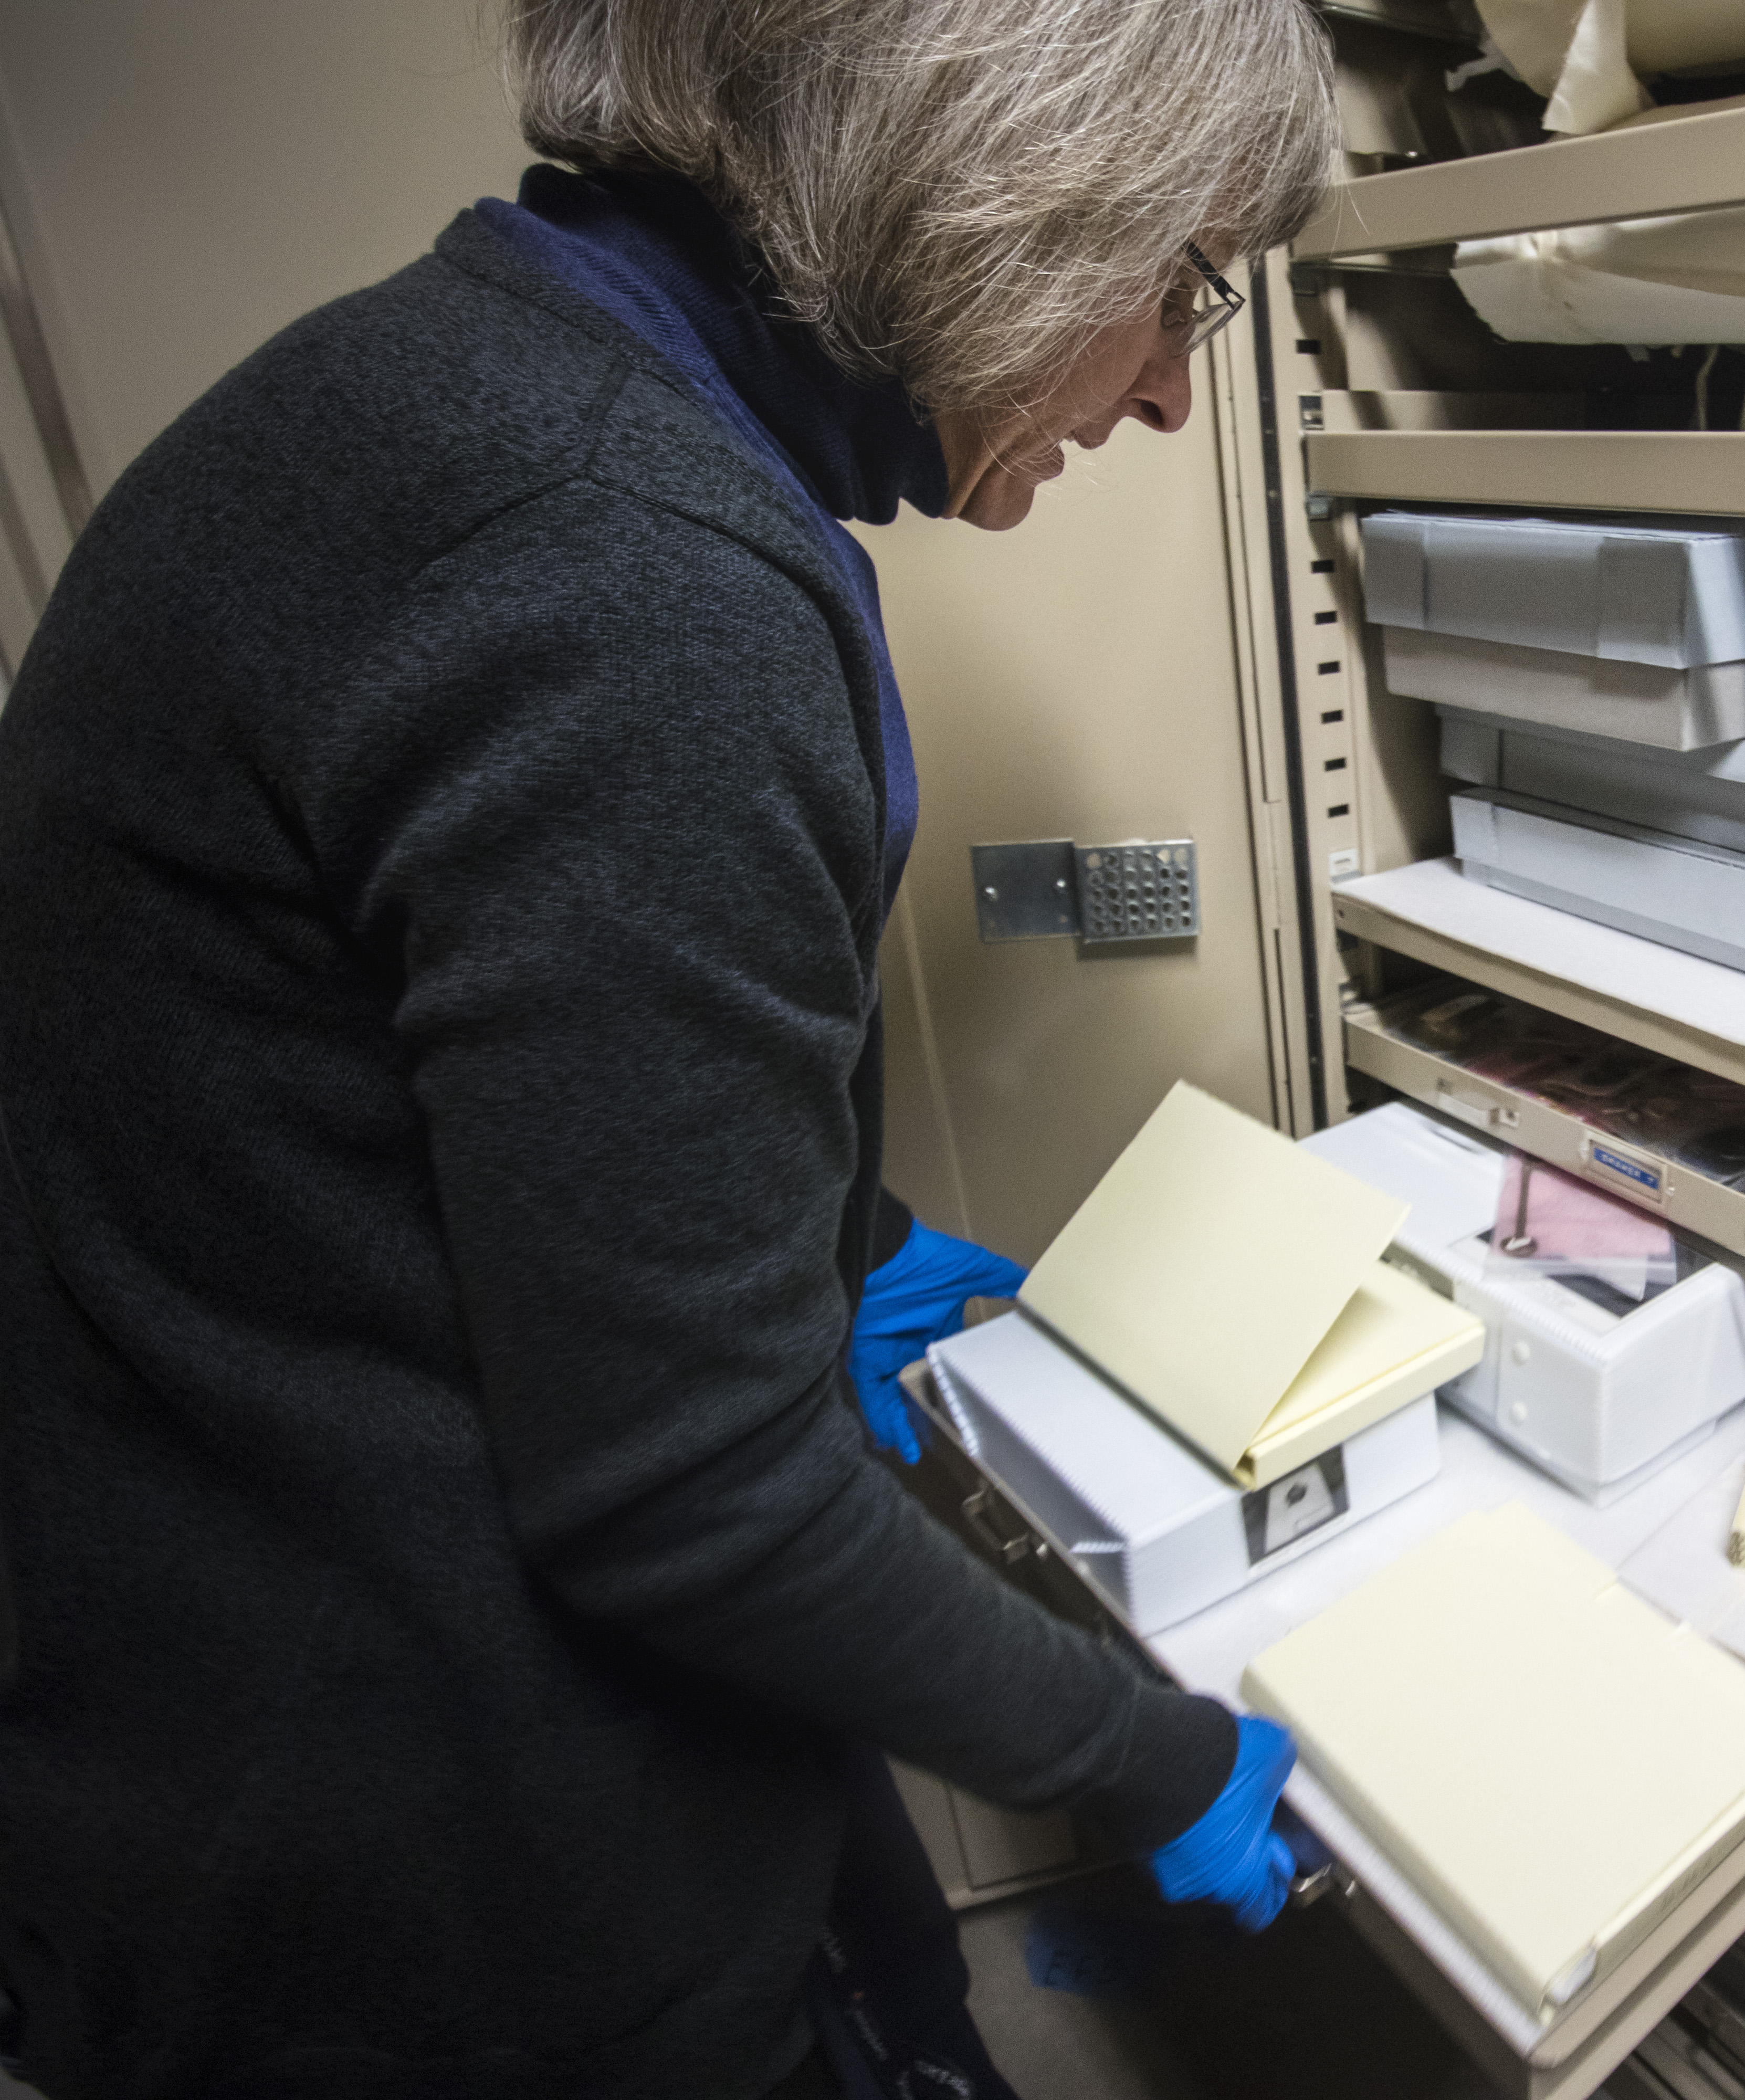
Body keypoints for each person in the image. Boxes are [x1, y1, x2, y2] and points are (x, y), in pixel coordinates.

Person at [0, 1, 1338, 2094]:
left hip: (227, 1716)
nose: (1176, 391)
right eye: (1182, 288)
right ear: (1004, 175)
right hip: (431, 1884)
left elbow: (395, 1081)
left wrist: (820, 1240)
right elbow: (690, 1497)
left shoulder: (455, 384)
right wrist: (1138, 1748)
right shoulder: (632, 579)